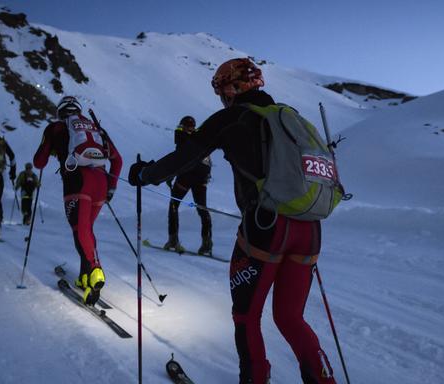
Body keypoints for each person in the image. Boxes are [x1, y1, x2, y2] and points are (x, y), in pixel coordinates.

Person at [127, 58, 338, 384]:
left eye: (220, 90)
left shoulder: (232, 117)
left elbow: (185, 157)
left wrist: (144, 174)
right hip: (310, 228)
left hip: (266, 228)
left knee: (246, 315)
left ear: (231, 88)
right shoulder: (290, 117)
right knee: (290, 317)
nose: (220, 97)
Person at [33, 96, 122, 305]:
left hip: (77, 182)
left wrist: (53, 147)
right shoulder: (95, 129)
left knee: (80, 229)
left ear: (60, 112)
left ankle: (95, 270)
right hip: (100, 183)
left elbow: (39, 163)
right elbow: (117, 160)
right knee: (86, 230)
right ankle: (85, 277)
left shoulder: (56, 128)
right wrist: (111, 187)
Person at [162, 115, 213, 255]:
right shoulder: (200, 138)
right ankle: (207, 242)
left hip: (186, 176)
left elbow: (178, 160)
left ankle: (173, 239)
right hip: (202, 177)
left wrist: (170, 176)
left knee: (174, 204)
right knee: (202, 208)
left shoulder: (181, 137)